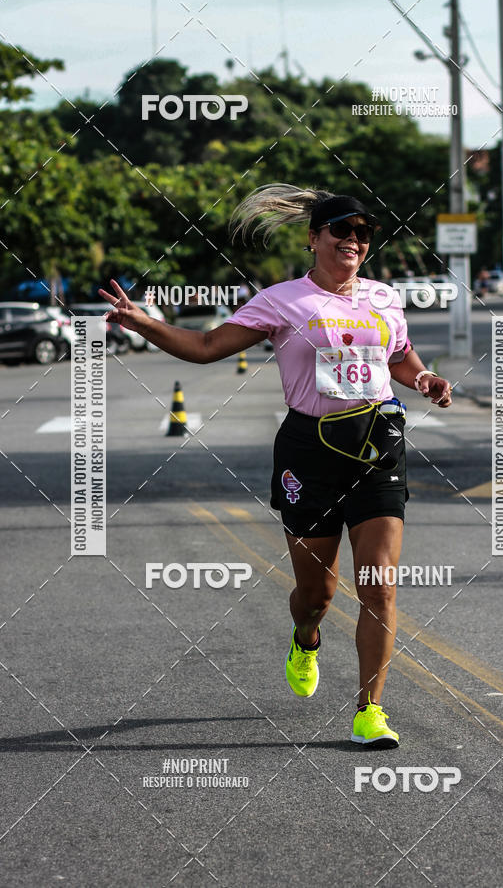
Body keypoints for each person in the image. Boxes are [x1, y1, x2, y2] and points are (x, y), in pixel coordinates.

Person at [99, 183, 452, 748]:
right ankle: (306, 636)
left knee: (380, 587)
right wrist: (143, 323)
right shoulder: (283, 300)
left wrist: (425, 379)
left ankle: (370, 712)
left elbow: (399, 356)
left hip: (377, 447)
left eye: (363, 234)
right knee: (317, 595)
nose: (354, 241)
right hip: (309, 452)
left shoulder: (385, 298)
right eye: (343, 230)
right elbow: (208, 346)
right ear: (315, 238)